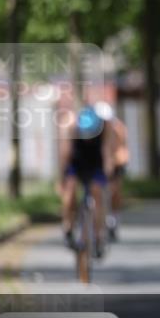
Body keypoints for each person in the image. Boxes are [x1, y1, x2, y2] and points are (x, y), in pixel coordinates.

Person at [59, 105, 111, 255]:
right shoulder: (71, 127)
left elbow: (107, 152)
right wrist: (62, 179)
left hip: (95, 163)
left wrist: (108, 174)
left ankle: (98, 235)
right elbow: (65, 154)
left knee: (97, 194)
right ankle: (68, 227)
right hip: (77, 163)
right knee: (70, 194)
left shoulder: (105, 128)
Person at [94, 101, 128, 241]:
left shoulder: (118, 128)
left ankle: (113, 219)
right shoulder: (90, 128)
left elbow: (120, 148)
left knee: (115, 191)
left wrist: (114, 163)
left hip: (115, 161)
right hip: (96, 161)